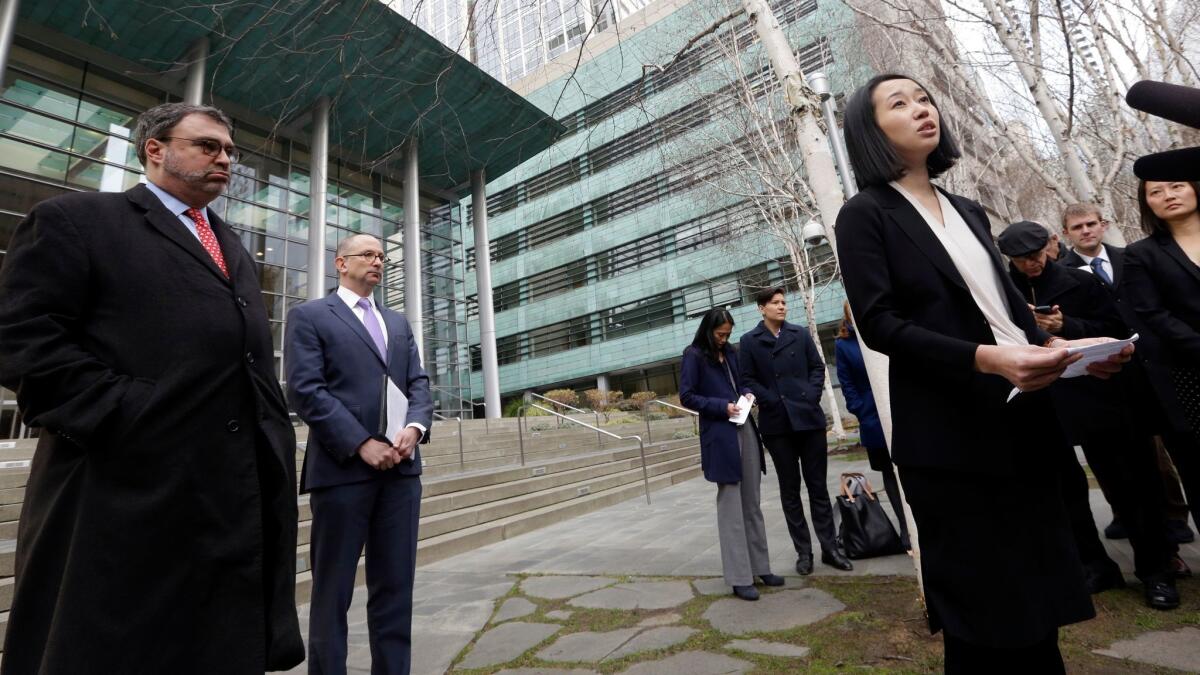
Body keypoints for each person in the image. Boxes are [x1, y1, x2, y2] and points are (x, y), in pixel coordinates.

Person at [835, 73, 1132, 672]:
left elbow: (1002, 314)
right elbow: (880, 324)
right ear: (870, 130)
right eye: (901, 103)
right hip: (949, 437)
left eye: (924, 98)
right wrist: (986, 359)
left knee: (1039, 600)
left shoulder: (966, 208)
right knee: (983, 611)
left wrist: (1071, 350)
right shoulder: (864, 215)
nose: (923, 109)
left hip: (1023, 422)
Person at [0, 102, 304, 672]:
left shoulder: (231, 245)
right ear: (155, 150)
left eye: (230, 150)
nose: (225, 159)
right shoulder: (77, 220)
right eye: (207, 145)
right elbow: (23, 339)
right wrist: (129, 413)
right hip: (121, 493)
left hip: (225, 501)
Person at [1000, 220, 1179, 608]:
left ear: (1049, 247)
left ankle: (1156, 570)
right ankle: (1093, 565)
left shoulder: (1080, 281)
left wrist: (1067, 325)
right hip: (1043, 402)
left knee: (1130, 486)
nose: (1031, 264)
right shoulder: (1003, 292)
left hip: (1097, 395)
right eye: (1021, 259)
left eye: (1036, 255)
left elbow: (1116, 328)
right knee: (1066, 493)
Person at [285, 233, 434, 673]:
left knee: (395, 588)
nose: (378, 262)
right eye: (368, 254)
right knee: (332, 591)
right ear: (340, 263)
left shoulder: (399, 323)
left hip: (401, 475)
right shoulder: (310, 316)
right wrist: (360, 443)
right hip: (342, 472)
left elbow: (419, 384)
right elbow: (306, 390)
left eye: (382, 256)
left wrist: (415, 426)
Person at [1060, 203, 1195, 545]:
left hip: (1153, 363)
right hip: (1106, 375)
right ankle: (1129, 517)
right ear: (1066, 234)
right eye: (1077, 227)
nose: (1086, 231)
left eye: (1091, 224)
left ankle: (1176, 516)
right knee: (1125, 453)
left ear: (1103, 225)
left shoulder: (1130, 258)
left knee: (1164, 446)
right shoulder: (1062, 274)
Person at [739, 288, 854, 574]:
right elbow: (747, 379)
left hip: (809, 420)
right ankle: (804, 553)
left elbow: (817, 368)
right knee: (789, 491)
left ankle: (830, 549)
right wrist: (771, 400)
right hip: (777, 425)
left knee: (817, 488)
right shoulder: (749, 341)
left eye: (784, 303)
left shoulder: (800, 334)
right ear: (761, 308)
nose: (782, 307)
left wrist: (810, 394)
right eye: (775, 303)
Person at [680, 307, 784, 601]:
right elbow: (687, 396)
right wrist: (721, 406)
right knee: (731, 507)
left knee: (752, 502)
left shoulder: (734, 354)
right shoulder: (694, 355)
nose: (724, 339)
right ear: (708, 330)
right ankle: (740, 577)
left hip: (745, 427)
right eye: (719, 334)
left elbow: (743, 382)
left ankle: (761, 566)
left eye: (727, 334)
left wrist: (748, 393)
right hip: (720, 434)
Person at [1121, 180, 1200, 541]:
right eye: (1155, 192)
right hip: (1188, 380)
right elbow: (1154, 315)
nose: (1167, 196)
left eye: (1176, 186)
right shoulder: (1141, 255)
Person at [834, 301, 910, 549]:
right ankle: (905, 531)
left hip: (901, 407)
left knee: (911, 466)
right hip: (872, 416)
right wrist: (861, 410)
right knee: (889, 472)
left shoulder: (886, 330)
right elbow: (847, 384)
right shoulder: (844, 345)